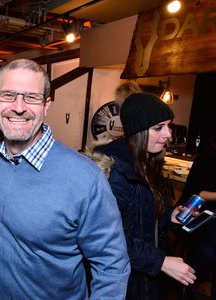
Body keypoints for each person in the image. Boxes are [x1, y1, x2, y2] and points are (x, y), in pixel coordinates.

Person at [0, 58, 130, 300]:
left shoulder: (85, 178)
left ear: (46, 105)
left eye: (31, 97)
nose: (18, 107)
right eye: (8, 95)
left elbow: (112, 265)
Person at [93, 92, 197, 299]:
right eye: (158, 128)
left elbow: (146, 214)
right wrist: (160, 261)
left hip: (145, 274)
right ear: (136, 132)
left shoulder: (148, 162)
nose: (168, 134)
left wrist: (169, 215)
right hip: (122, 279)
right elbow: (108, 240)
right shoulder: (114, 174)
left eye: (169, 126)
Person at [177, 138, 216, 298]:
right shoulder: (206, 160)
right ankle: (191, 286)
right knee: (207, 252)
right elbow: (195, 194)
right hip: (201, 218)